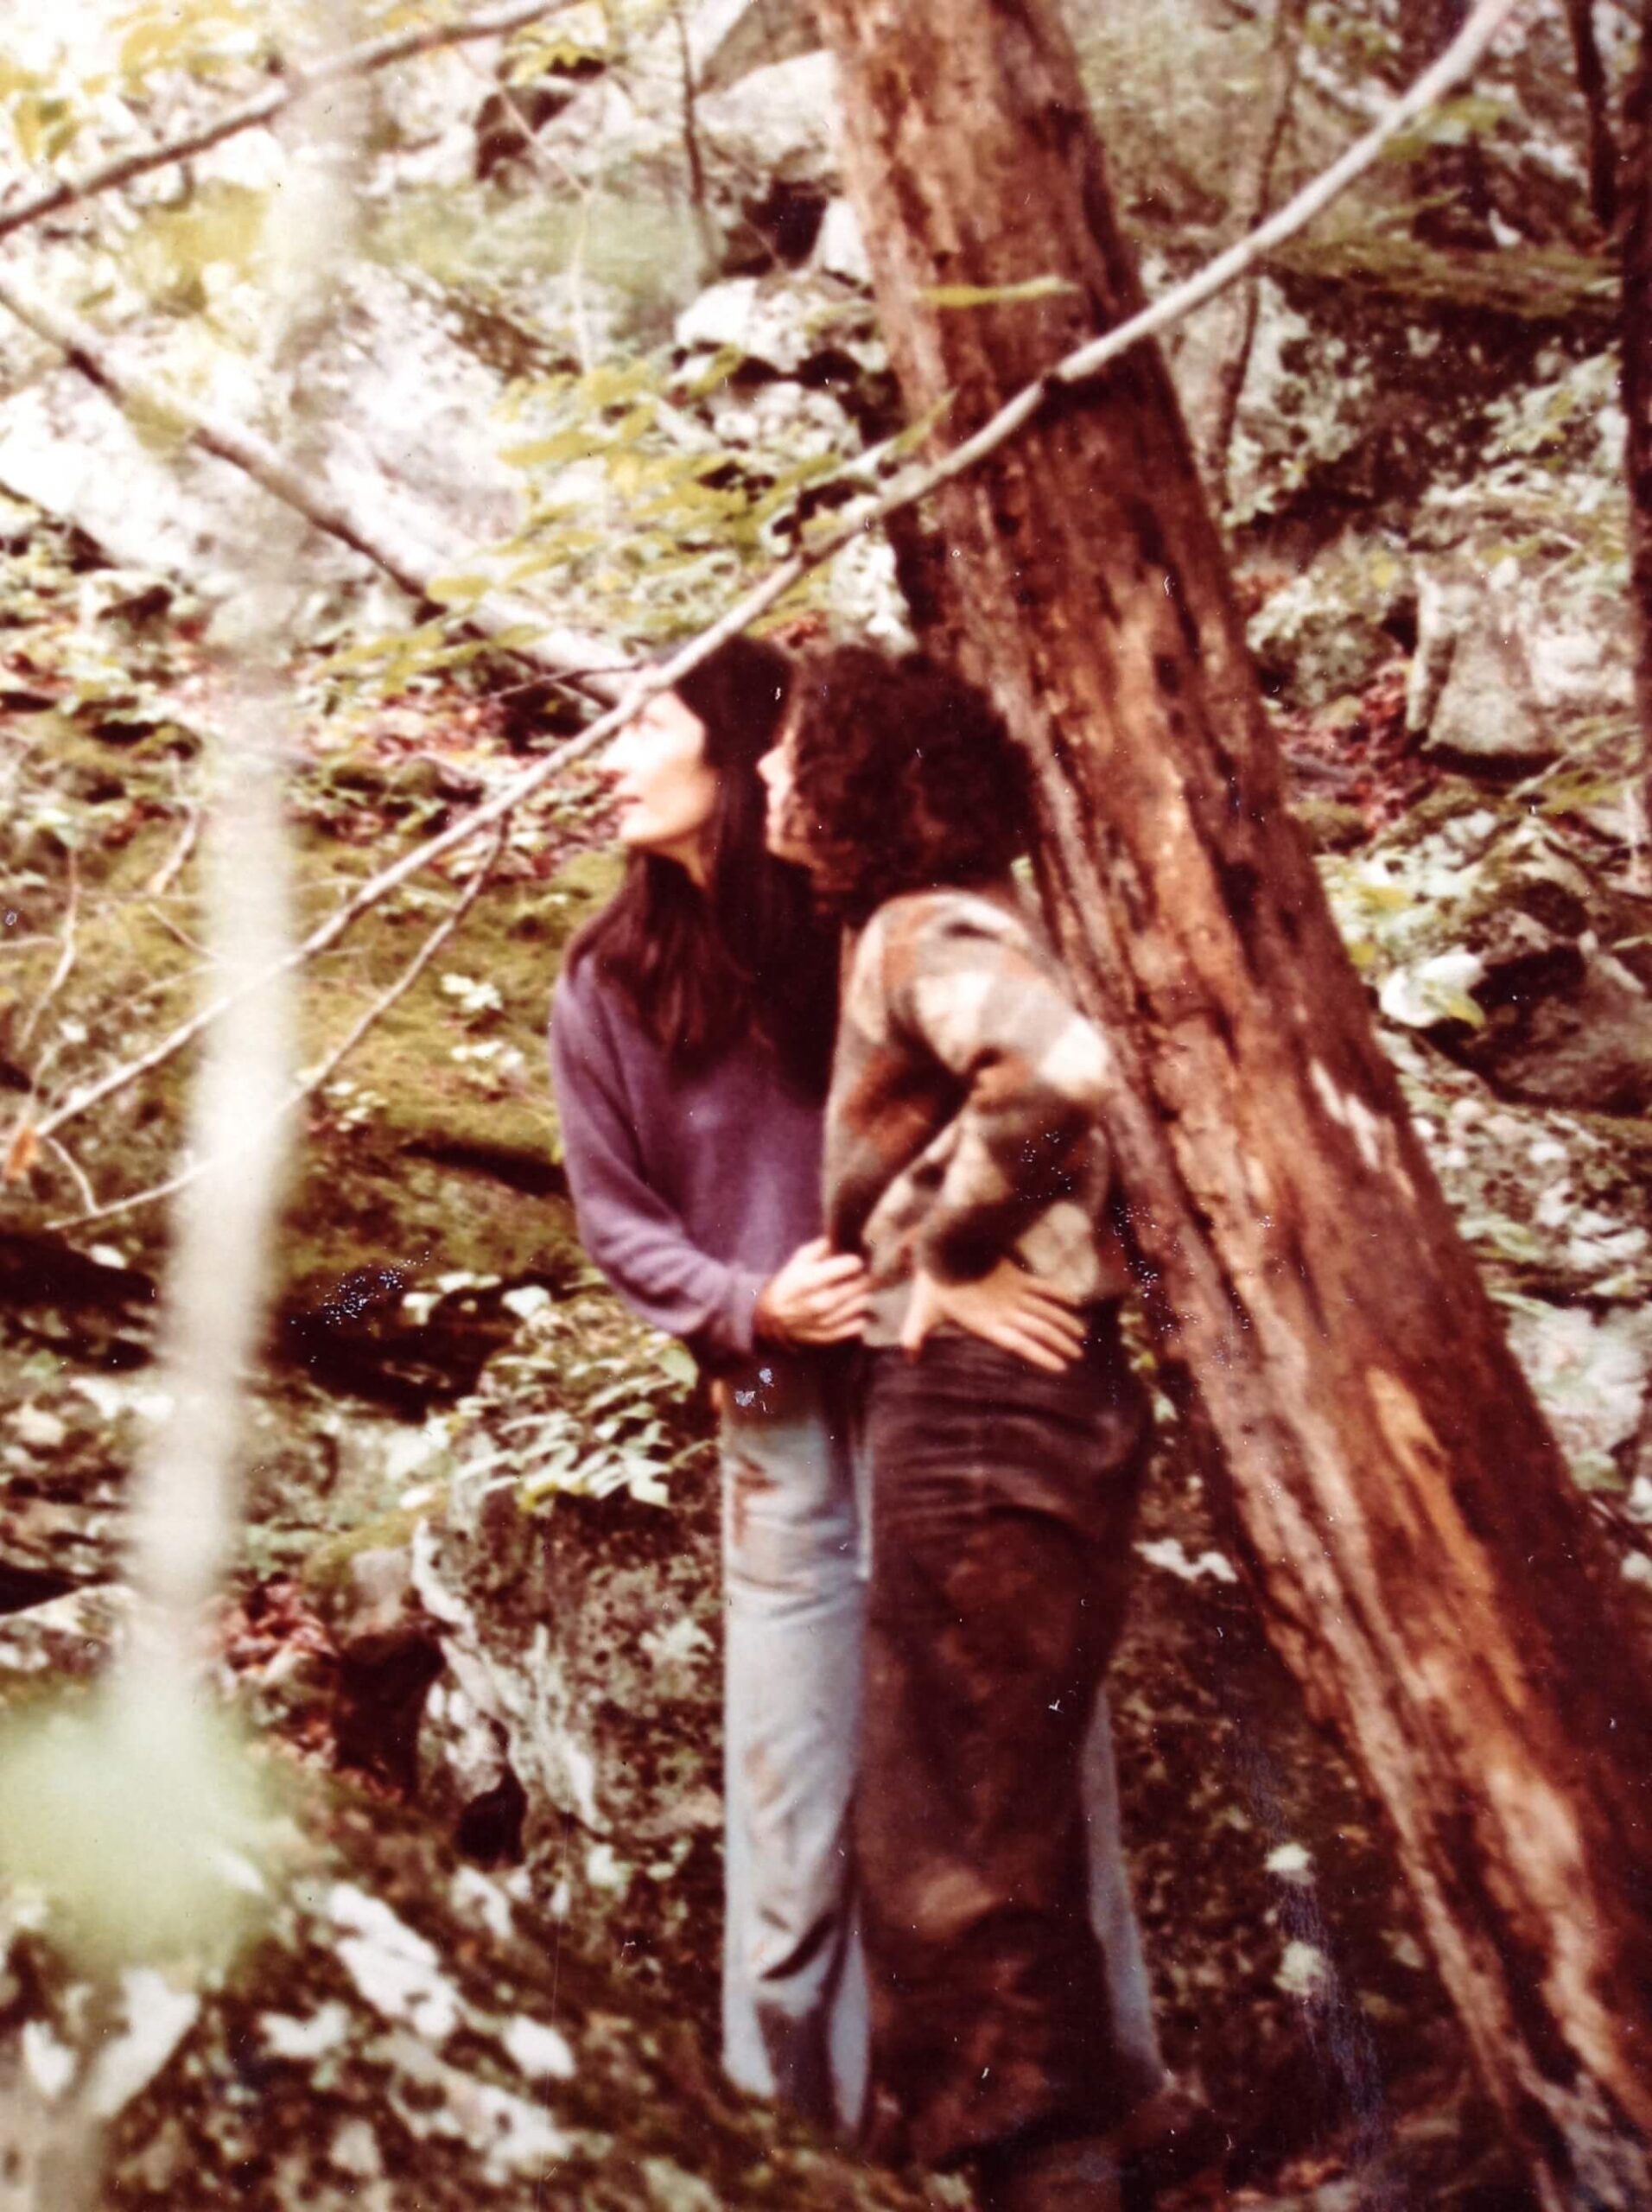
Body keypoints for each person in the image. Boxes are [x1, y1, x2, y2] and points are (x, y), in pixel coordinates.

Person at [760, 645, 1167, 2210]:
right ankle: (1027, 2144)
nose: (779, 783)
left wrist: (942, 1246)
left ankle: (1024, 2161)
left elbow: (1061, 1067)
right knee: (987, 1781)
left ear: (869, 773)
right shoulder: (931, 922)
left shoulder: (927, 926)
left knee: (957, 1802)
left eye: (801, 753)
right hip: (1015, 1403)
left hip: (989, 1405)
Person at [547, 635, 871, 2132]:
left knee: (1010, 1786)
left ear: (740, 758)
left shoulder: (869, 926)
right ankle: (786, 2154)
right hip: (773, 1416)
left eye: (642, 725)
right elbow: (616, 1222)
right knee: (792, 1814)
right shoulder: (607, 980)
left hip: (953, 1395)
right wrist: (752, 1304)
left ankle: (1081, 2117)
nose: (606, 757)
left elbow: (1039, 1112)